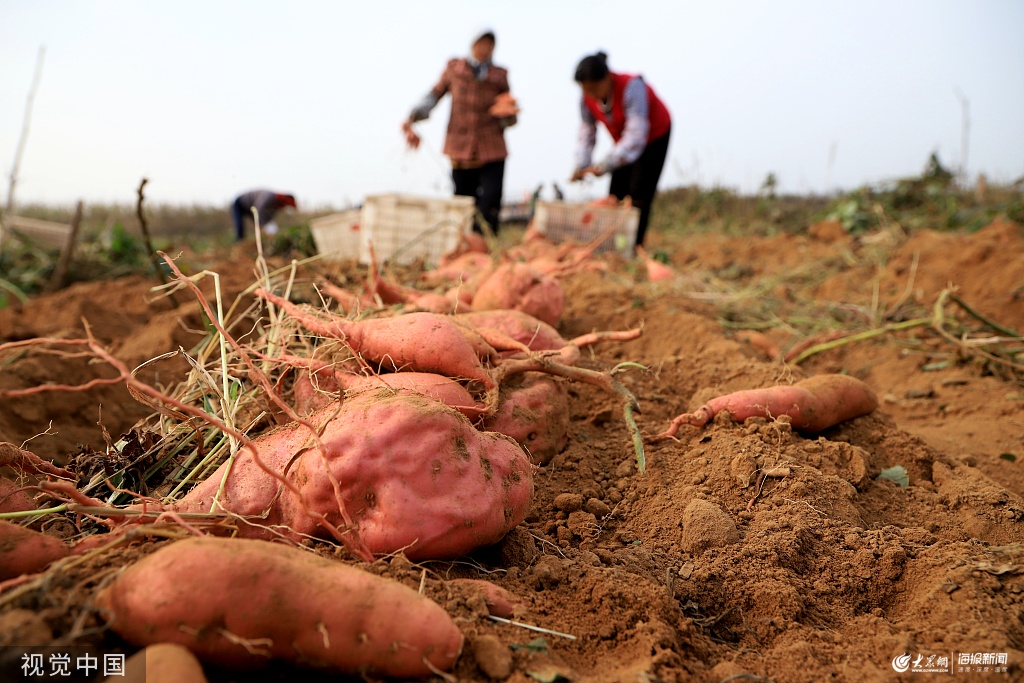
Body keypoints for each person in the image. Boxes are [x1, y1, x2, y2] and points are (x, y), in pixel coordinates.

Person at [402, 29, 519, 237]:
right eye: (481, 44)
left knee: (491, 199)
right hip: (461, 143)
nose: (484, 49)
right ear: (473, 45)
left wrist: (508, 114)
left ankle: (487, 242)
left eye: (489, 46)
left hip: (491, 143)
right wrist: (415, 114)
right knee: (464, 198)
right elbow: (435, 93)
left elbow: (507, 105)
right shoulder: (455, 69)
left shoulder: (499, 75)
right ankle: (464, 242)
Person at [570, 51, 671, 248]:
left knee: (638, 195)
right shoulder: (586, 100)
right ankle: (614, 245)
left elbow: (635, 135)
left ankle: (633, 248)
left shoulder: (632, 87)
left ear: (606, 78)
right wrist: (581, 163)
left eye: (593, 88)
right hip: (623, 142)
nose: (590, 94)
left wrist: (604, 165)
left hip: (653, 136)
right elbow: (587, 132)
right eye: (585, 90)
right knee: (615, 195)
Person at [230, 190, 296, 242]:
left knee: (259, 225)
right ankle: (238, 244)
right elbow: (258, 209)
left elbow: (269, 217)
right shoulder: (269, 196)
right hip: (240, 203)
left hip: (251, 208)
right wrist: (264, 225)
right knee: (240, 226)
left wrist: (267, 227)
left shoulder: (276, 205)